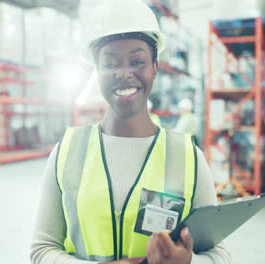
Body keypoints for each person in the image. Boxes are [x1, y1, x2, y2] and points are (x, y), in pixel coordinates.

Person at [30, 0, 231, 263]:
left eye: (137, 61)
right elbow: (42, 250)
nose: (124, 74)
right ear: (97, 71)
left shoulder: (188, 158)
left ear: (155, 68)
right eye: (110, 63)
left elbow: (220, 255)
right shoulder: (67, 151)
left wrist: (188, 262)